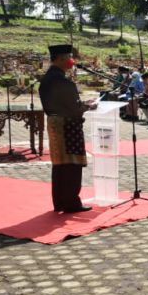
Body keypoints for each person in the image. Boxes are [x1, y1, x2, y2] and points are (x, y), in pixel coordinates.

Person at [38, 44, 97, 213]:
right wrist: (88, 106)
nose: (72, 61)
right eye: (69, 57)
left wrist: (82, 104)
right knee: (71, 165)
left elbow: (65, 103)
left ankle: (60, 202)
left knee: (60, 165)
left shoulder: (48, 78)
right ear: (60, 59)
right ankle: (71, 202)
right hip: (67, 126)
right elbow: (73, 107)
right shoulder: (62, 81)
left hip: (56, 124)